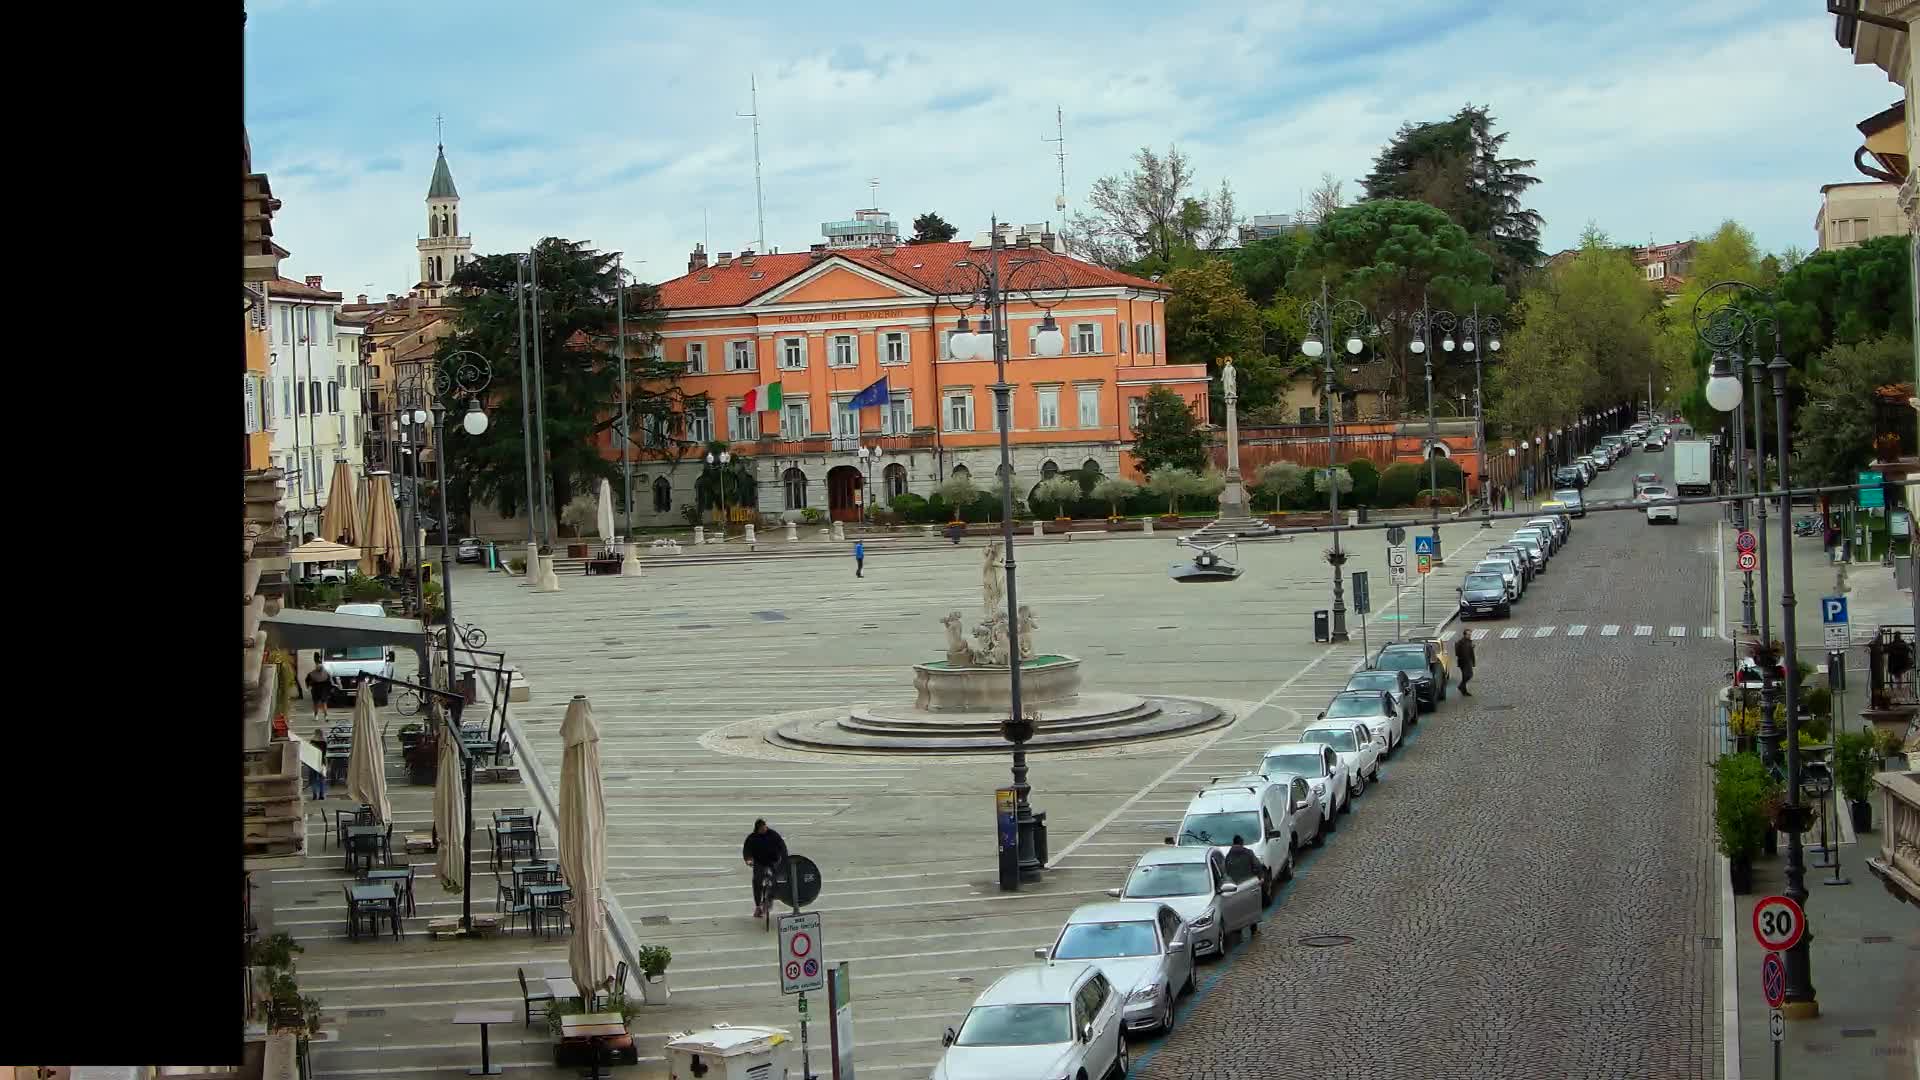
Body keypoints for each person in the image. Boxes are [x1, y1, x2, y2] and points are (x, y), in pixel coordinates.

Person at [741, 818, 788, 918]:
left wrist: (784, 859)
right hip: (759, 863)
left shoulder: (773, 835)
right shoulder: (752, 838)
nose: (764, 829)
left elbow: (782, 846)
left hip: (773, 862)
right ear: (757, 829)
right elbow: (747, 850)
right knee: (757, 881)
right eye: (762, 828)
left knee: (776, 880)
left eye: (765, 827)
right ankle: (758, 906)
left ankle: (769, 899)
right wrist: (748, 859)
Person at [304, 652, 334, 720]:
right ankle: (322, 716)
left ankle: (319, 716)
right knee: (321, 703)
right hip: (320, 688)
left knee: (318, 703)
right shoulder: (323, 673)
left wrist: (308, 686)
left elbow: (307, 680)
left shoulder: (313, 674)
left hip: (318, 688)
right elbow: (329, 681)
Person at [306, 728, 330, 801]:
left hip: (313, 762)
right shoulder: (324, 742)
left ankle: (314, 795)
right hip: (321, 762)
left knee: (313, 780)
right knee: (322, 780)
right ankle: (321, 795)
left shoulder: (312, 741)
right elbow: (324, 754)